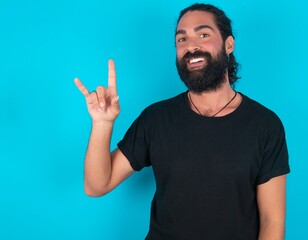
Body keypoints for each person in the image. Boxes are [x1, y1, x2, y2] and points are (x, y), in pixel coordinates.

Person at [74, 3, 290, 240]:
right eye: (181, 39)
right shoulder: (156, 118)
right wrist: (102, 124)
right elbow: (96, 186)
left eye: (203, 34)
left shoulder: (265, 125)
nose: (191, 46)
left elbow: (272, 221)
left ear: (229, 44)